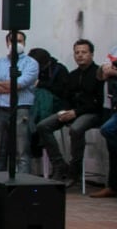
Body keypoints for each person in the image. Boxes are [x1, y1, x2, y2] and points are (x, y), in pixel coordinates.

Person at [35, 39, 104, 185]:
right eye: (77, 52)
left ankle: (74, 171)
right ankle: (59, 165)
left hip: (91, 113)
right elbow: (66, 97)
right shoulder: (72, 75)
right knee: (43, 125)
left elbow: (98, 103)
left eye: (84, 52)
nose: (80, 55)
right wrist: (64, 112)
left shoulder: (98, 74)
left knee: (76, 129)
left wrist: (76, 112)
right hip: (71, 111)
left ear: (91, 54)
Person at [0, 30, 39, 174]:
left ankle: (23, 186)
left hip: (22, 110)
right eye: (12, 41)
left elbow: (20, 84)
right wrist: (10, 86)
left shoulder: (31, 63)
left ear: (24, 43)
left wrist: (1, 84)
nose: (16, 44)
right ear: (7, 43)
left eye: (20, 41)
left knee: (22, 152)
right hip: (1, 110)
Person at [91, 17, 117, 198]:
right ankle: (113, 185)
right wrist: (107, 70)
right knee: (109, 134)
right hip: (115, 102)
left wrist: (114, 71)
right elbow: (101, 73)